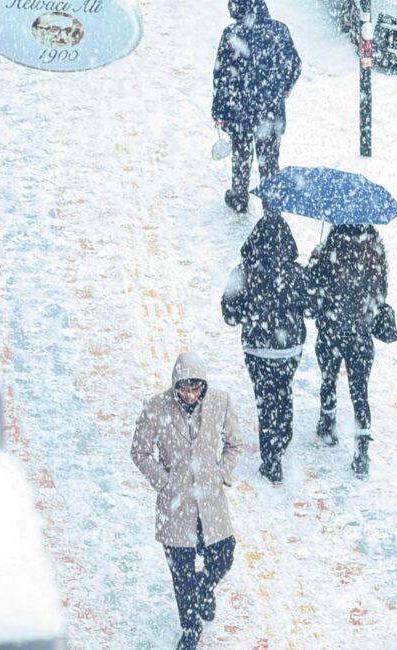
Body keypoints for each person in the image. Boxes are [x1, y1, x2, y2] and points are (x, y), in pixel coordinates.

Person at [130, 351, 243, 650]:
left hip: (210, 500)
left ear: (203, 386)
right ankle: (190, 627)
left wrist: (221, 474)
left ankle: (205, 589)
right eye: (184, 388)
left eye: (195, 388)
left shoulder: (220, 402)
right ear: (175, 385)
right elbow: (139, 452)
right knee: (180, 571)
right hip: (175, 504)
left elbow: (234, 444)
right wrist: (164, 482)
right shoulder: (156, 408)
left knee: (223, 554)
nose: (190, 395)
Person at [221, 215, 309, 483]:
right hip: (289, 349)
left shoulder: (243, 272)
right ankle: (282, 438)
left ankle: (271, 459)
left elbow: (229, 314)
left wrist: (250, 313)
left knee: (265, 399)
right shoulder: (296, 273)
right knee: (284, 391)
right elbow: (311, 308)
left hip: (258, 349)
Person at [306, 224, 389, 479]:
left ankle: (327, 423)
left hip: (331, 331)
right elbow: (381, 295)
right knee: (360, 392)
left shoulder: (330, 251)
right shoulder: (375, 254)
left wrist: (315, 259)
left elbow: (313, 292)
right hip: (360, 336)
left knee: (328, 378)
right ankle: (362, 451)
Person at [212, 0, 301, 215]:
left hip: (239, 108)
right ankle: (271, 207)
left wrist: (219, 111)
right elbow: (294, 64)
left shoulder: (232, 34)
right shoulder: (279, 30)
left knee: (241, 154)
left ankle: (239, 196)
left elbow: (222, 76)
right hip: (269, 110)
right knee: (269, 159)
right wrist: (285, 85)